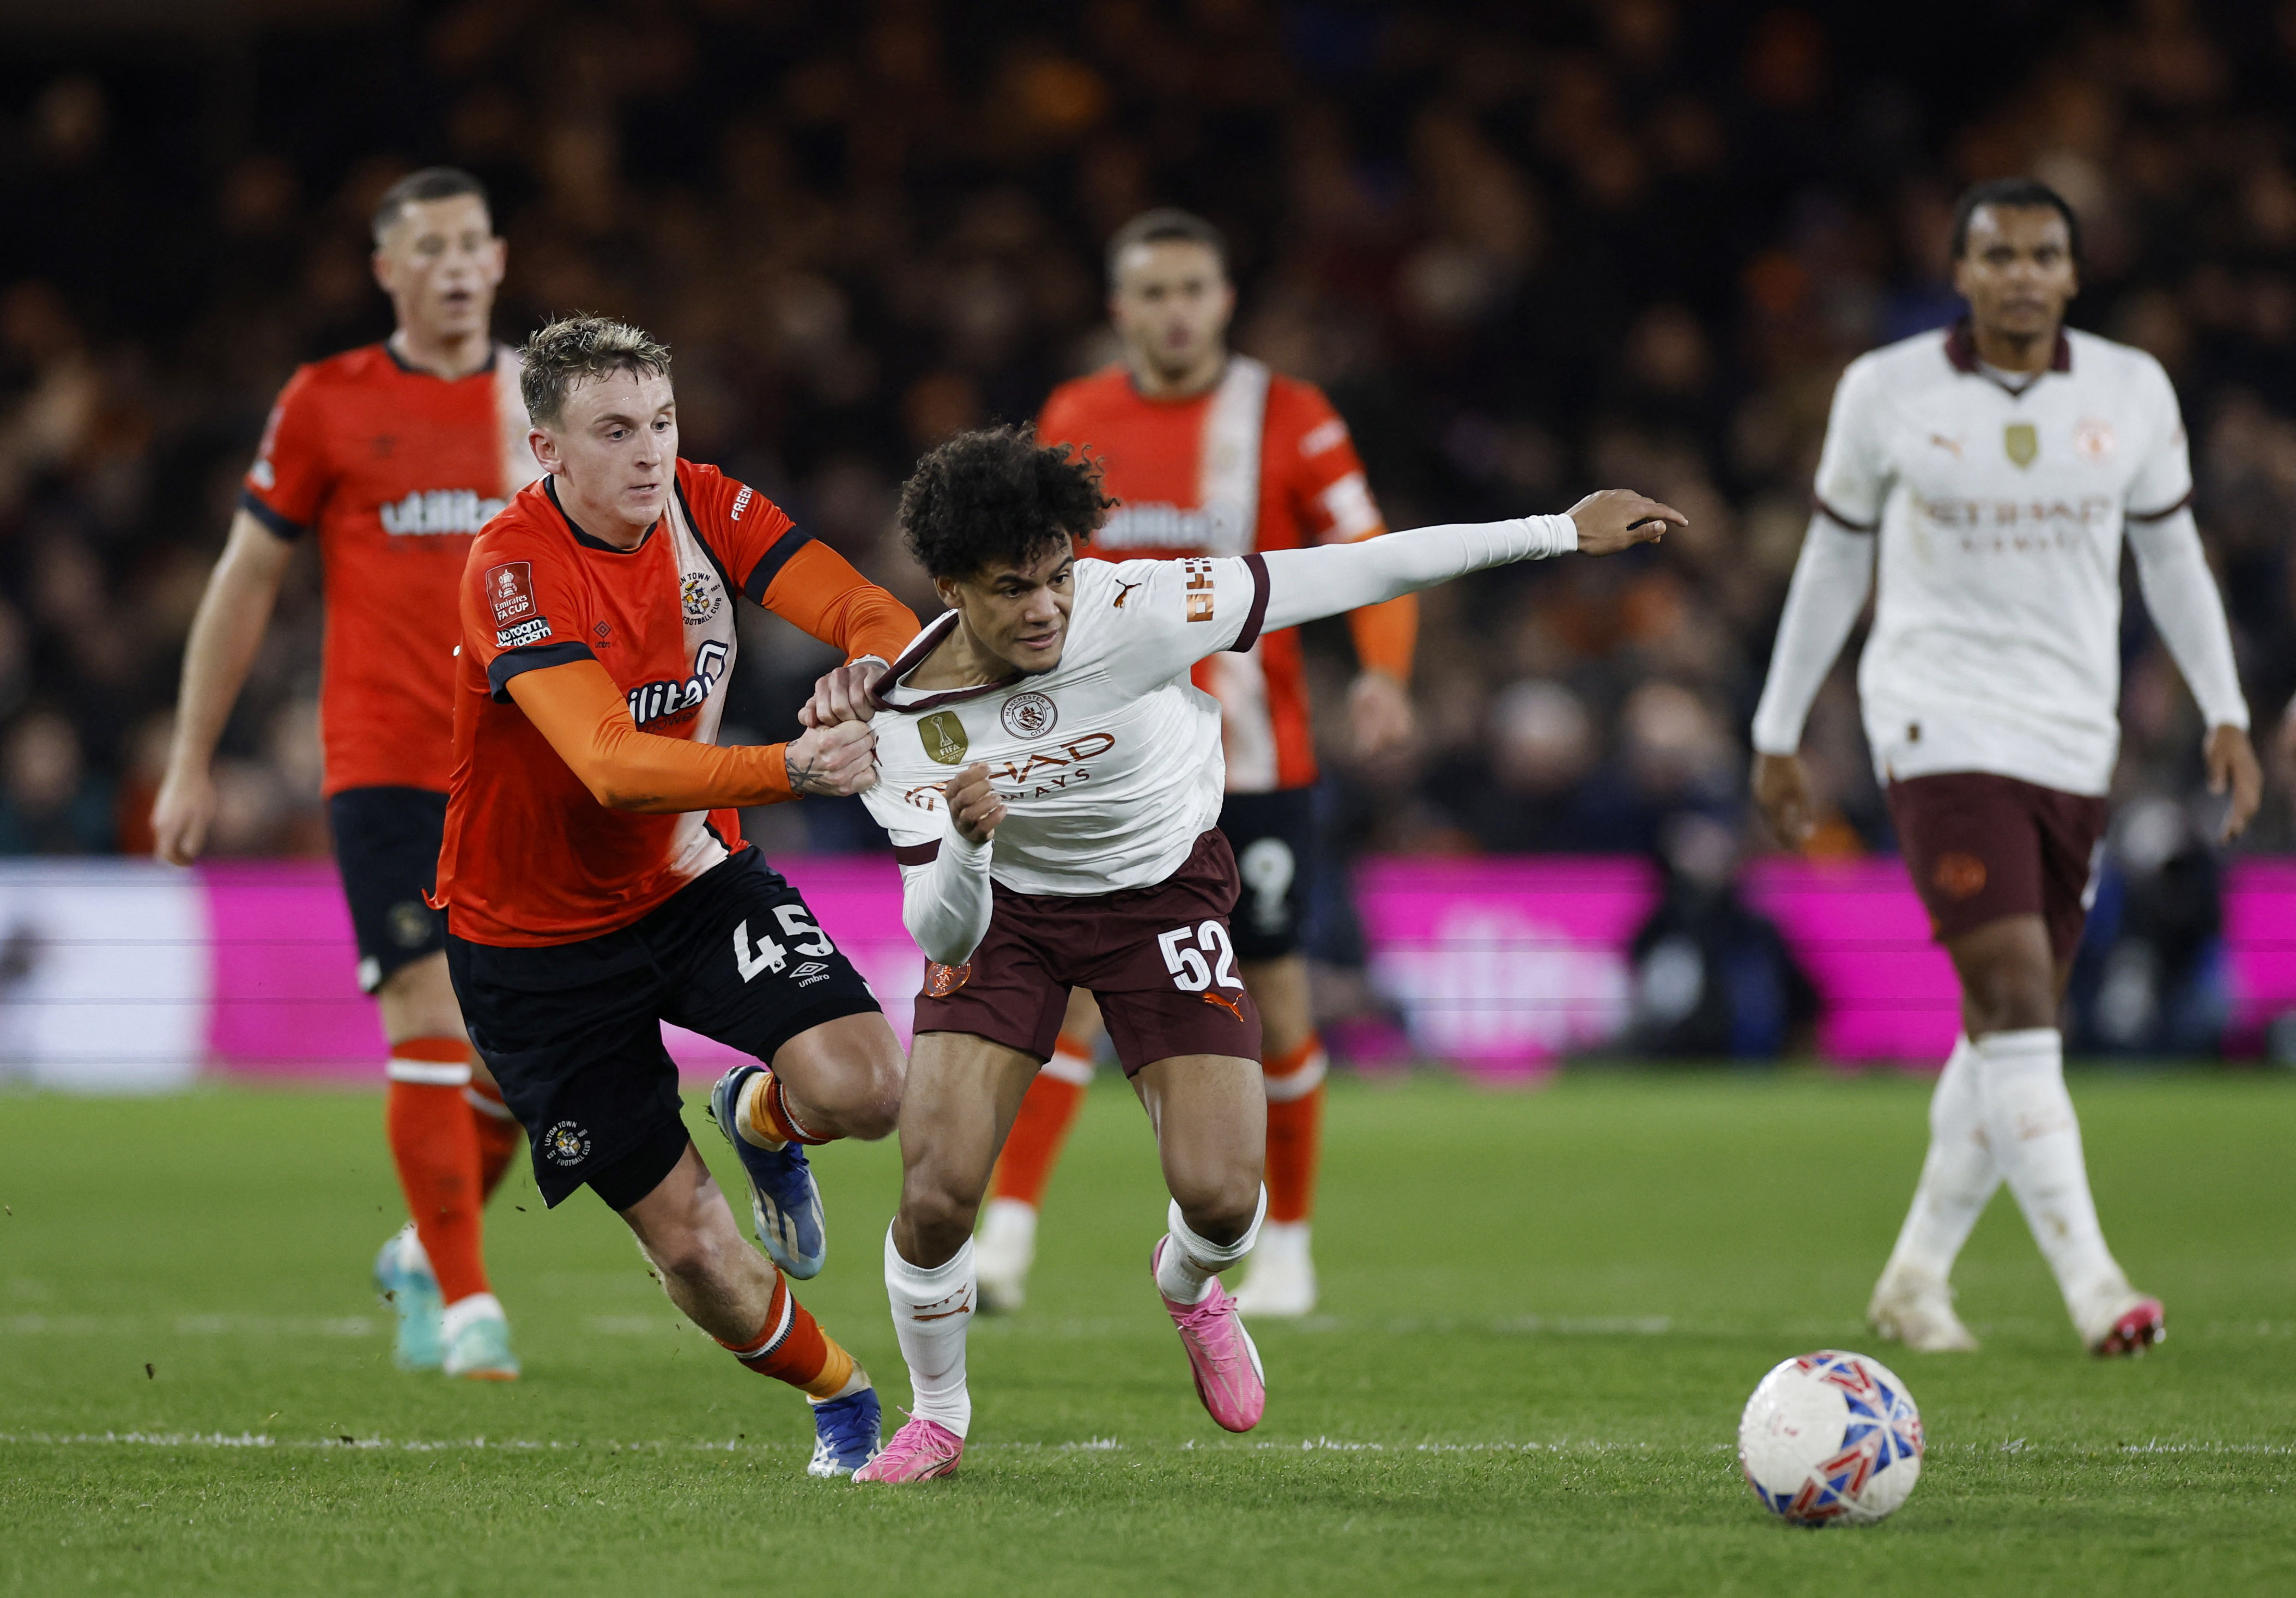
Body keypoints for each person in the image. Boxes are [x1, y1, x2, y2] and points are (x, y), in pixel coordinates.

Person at [839, 424, 1680, 1482]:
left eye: (1058, 574)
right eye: (1015, 589)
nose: (1048, 606)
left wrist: (1556, 531)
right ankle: (939, 1417)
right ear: (951, 588)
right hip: (1001, 912)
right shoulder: (900, 721)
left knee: (1227, 1200)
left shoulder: (1137, 610)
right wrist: (965, 845)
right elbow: (941, 932)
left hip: (1160, 896)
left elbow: (1352, 569)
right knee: (935, 1192)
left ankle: (1190, 1287)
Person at [1750, 178, 2261, 1357]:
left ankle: (1916, 1276)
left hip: (2073, 734)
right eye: (1998, 255)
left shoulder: (2132, 390)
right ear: (1962, 273)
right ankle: (2093, 1285)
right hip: (1934, 719)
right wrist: (1778, 729)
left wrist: (2224, 708)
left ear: (2072, 276)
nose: (2022, 274)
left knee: (2004, 1029)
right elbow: (1830, 565)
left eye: (2043, 255)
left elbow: (2172, 555)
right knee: (2021, 997)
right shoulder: (1884, 391)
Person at [435, 313, 918, 1474]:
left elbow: (869, 608)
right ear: (547, 450)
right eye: (614, 431)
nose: (649, 452)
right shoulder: (509, 571)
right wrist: (788, 768)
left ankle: (762, 1118)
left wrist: (870, 664)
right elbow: (608, 764)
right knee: (695, 1252)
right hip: (535, 946)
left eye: (660, 422)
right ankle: (843, 1397)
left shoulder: (705, 503)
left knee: (865, 1090)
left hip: (691, 882)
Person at [976, 208, 1419, 1318]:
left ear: (1224, 301)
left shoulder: (1291, 415)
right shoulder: (1076, 417)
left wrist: (1383, 671)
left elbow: (1369, 552)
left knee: (1273, 995)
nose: (1175, 312)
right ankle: (1008, 1243)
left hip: (1253, 768)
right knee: (1067, 995)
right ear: (1121, 311)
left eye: (1194, 290)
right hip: (1104, 764)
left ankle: (1291, 1248)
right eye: (1153, 294)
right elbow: (1023, 577)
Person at [152, 168, 542, 1379]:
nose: (456, 265)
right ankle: (471, 1304)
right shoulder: (327, 401)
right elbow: (246, 579)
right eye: (428, 248)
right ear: (387, 271)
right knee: (425, 1012)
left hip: (531, 763)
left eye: (472, 243)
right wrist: (189, 761)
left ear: (500, 258)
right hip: (387, 762)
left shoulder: (545, 399)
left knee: (530, 1056)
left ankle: (426, 1251)